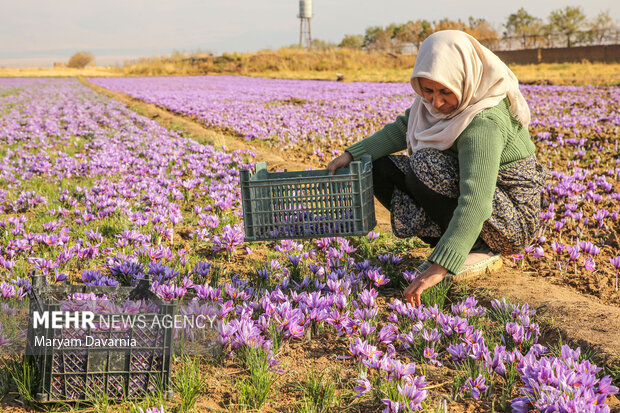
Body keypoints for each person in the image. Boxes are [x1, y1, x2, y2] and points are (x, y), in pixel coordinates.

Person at [327, 30, 547, 307]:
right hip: (486, 203)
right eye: (427, 90)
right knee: (376, 166)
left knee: (426, 165)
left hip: (510, 221)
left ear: (465, 80)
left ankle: (476, 249)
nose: (436, 102)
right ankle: (451, 241)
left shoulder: (483, 121)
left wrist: (440, 267)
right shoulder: (430, 105)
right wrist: (351, 154)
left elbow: (477, 202)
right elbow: (400, 129)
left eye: (445, 91)